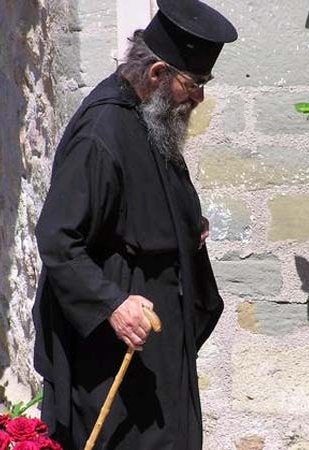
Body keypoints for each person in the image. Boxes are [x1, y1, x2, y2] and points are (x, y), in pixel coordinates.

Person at [32, 0, 237, 448]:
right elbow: (58, 237)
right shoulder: (101, 132)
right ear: (158, 73)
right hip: (117, 348)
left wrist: (186, 224)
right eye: (194, 82)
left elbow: (144, 196)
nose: (199, 96)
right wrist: (112, 304)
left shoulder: (151, 115)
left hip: (163, 337)